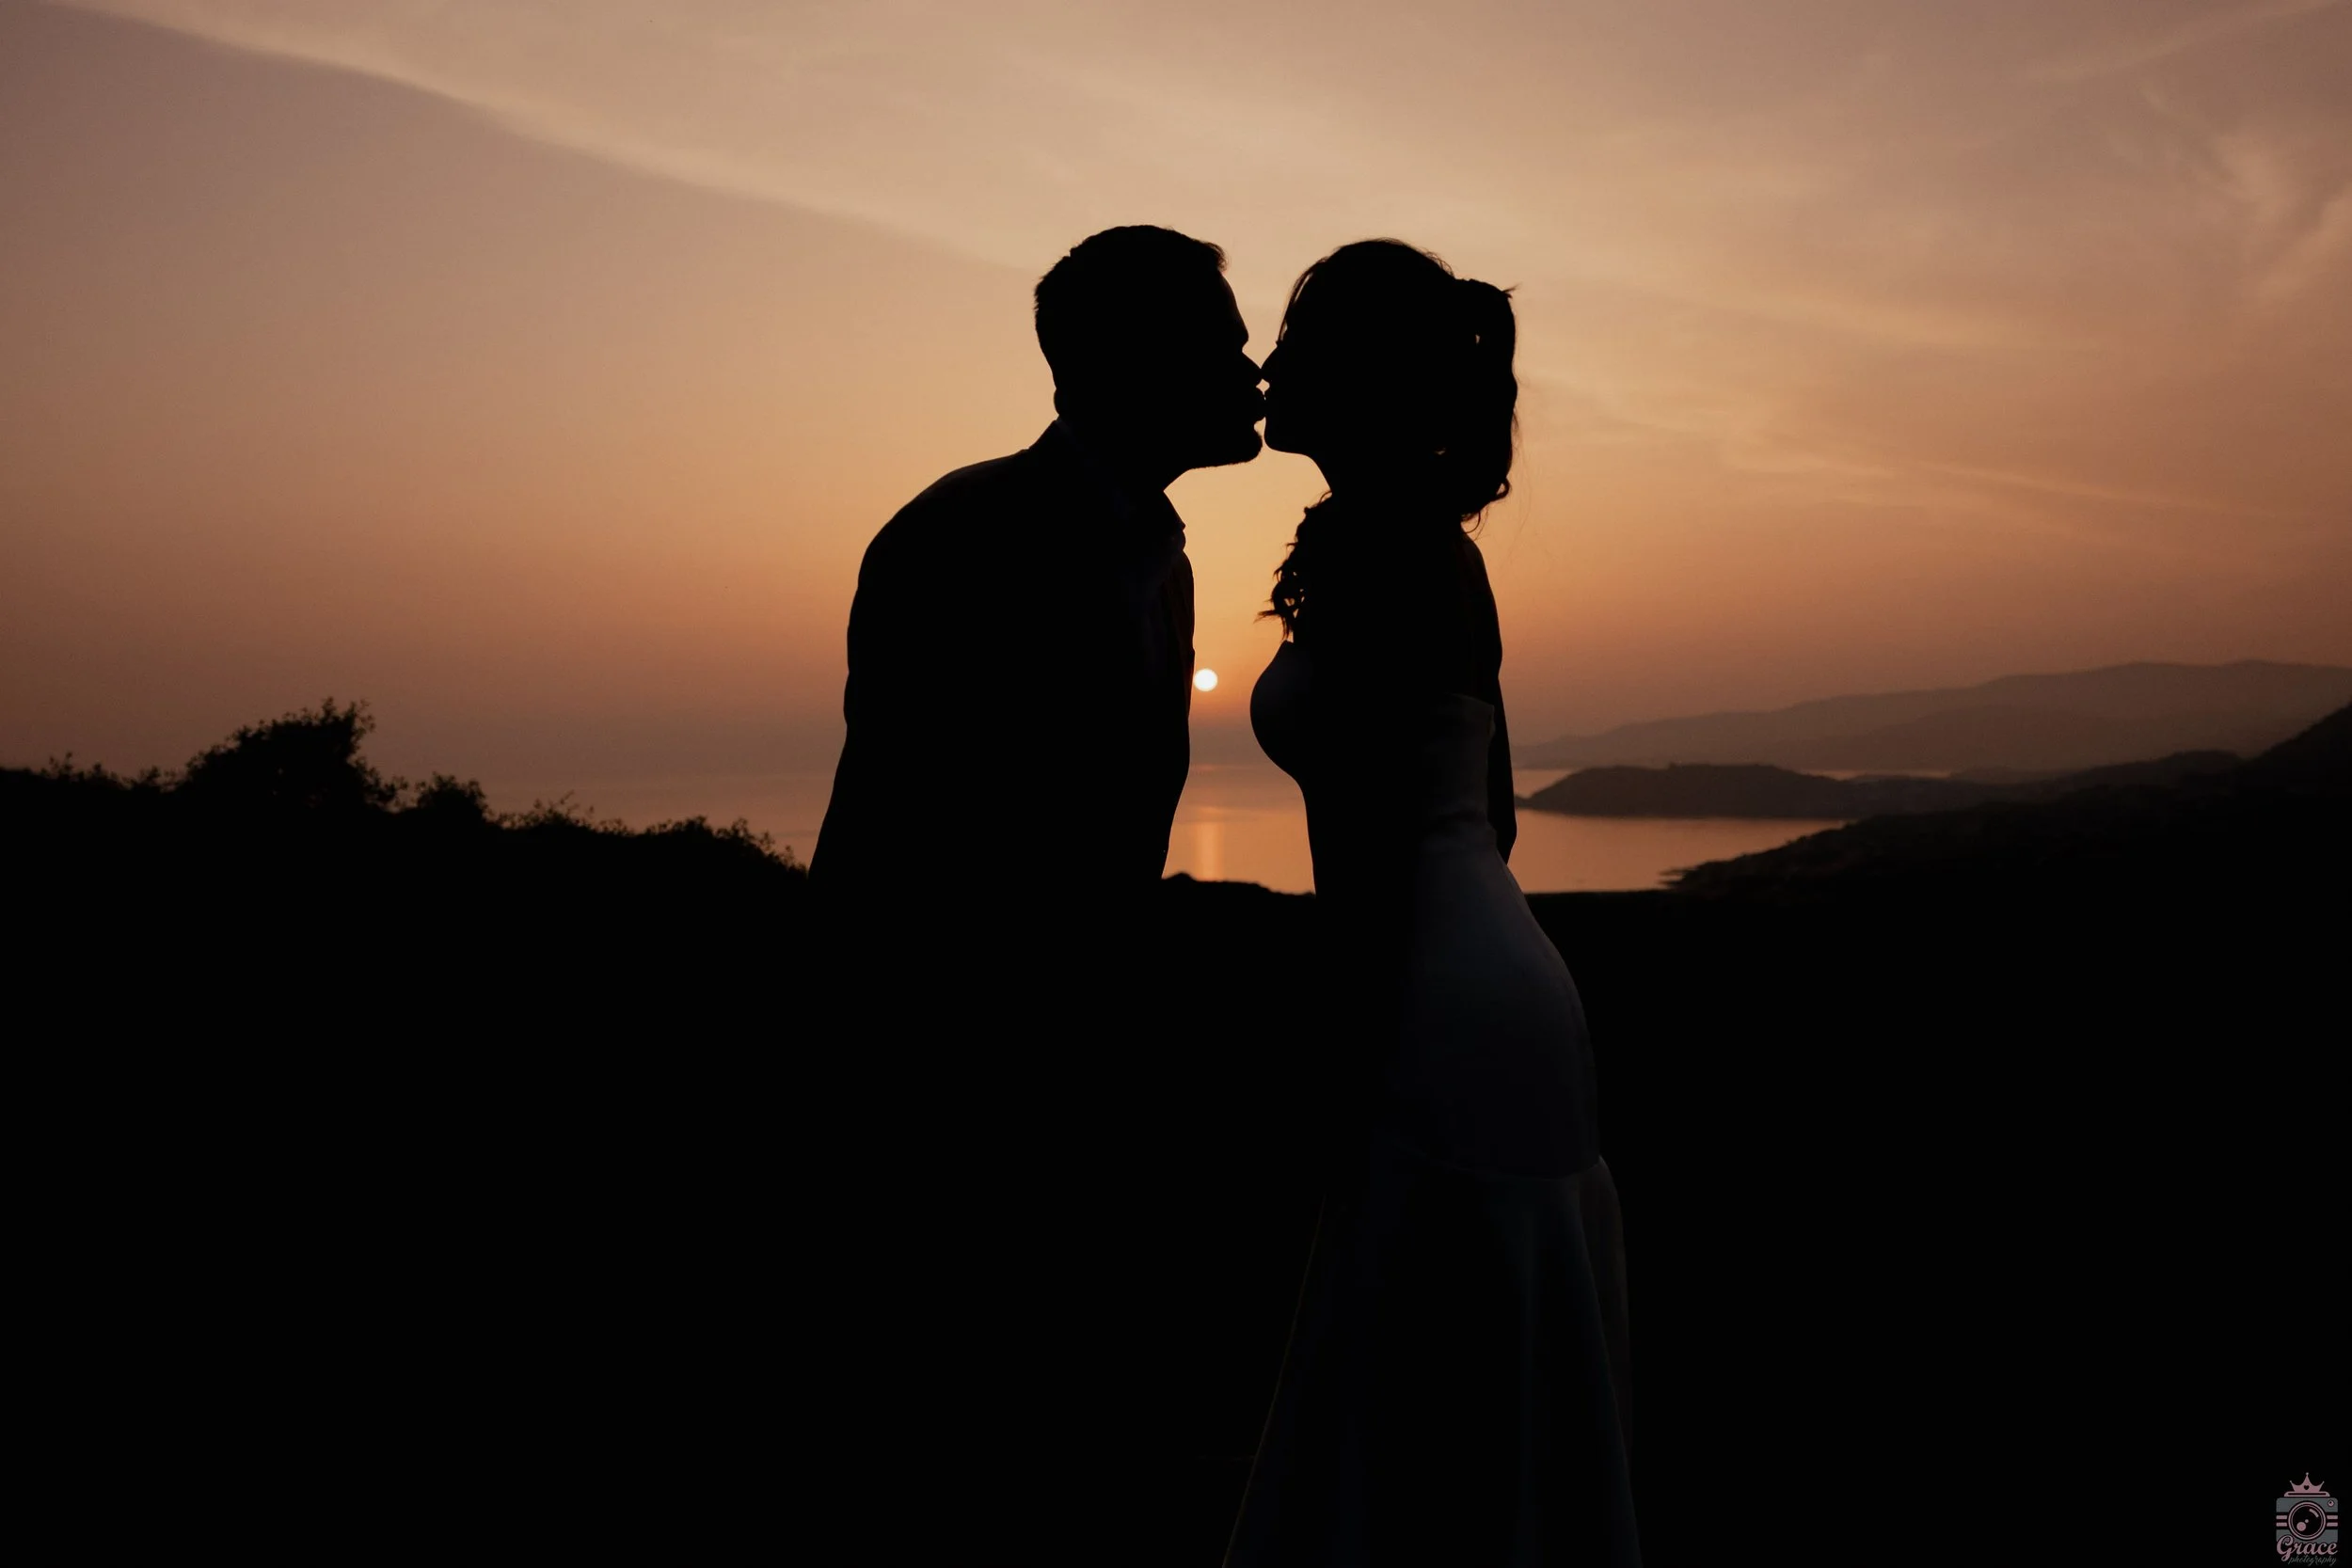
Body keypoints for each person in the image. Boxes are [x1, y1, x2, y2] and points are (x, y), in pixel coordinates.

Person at [804, 225, 1268, 1562]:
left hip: (1086, 1075)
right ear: (1132, 361)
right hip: (951, 1085)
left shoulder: (1164, 553)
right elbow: (896, 837)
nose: (1251, 370)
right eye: (1223, 340)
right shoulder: (965, 534)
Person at [1229, 240, 1642, 1566]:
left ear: (1352, 374)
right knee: (1480, 1393)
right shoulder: (1425, 545)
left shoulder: (1383, 553)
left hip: (1427, 986)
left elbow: (1369, 860)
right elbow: (1496, 813)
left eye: (1294, 341)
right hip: (1495, 972)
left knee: (1410, 1384)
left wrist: (1338, 1058)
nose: (1265, 364)